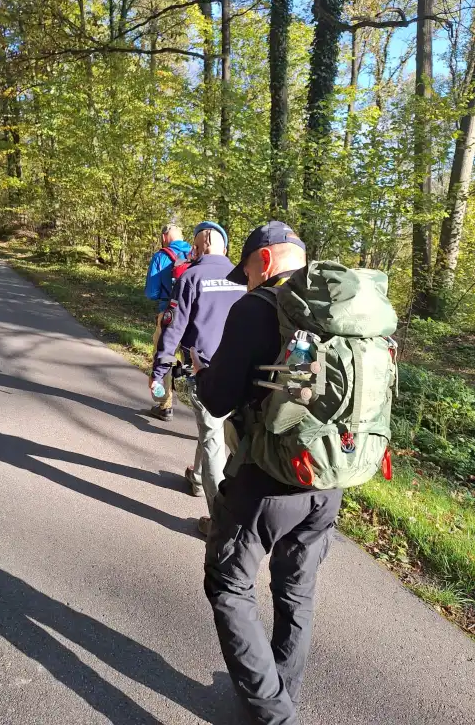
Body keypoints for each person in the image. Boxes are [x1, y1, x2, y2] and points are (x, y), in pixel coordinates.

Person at [193, 221, 343, 725]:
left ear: (264, 259)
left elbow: (218, 398)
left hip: (268, 478)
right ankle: (278, 689)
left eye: (249, 269)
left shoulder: (257, 308)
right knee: (295, 591)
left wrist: (201, 373)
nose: (248, 280)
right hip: (329, 476)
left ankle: (272, 712)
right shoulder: (338, 311)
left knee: (229, 586)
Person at [151, 221, 246, 534]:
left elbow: (174, 326)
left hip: (202, 368)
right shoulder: (245, 276)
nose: (192, 250)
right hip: (241, 370)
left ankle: (220, 522)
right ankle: (195, 479)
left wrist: (160, 368)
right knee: (215, 430)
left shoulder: (191, 276)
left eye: (194, 244)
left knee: (212, 437)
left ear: (202, 244)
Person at [145, 224, 192, 422]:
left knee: (164, 356)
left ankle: (165, 406)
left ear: (165, 237)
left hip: (168, 313)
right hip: (193, 312)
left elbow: (151, 292)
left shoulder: (161, 256)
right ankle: (204, 410)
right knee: (193, 359)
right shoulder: (195, 253)